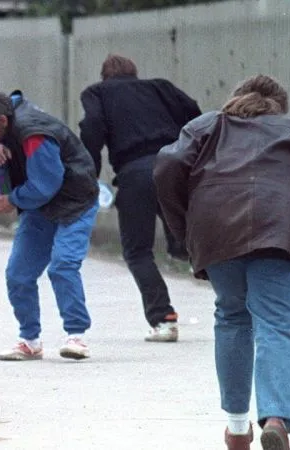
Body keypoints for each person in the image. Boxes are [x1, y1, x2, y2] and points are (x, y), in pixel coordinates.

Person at [154, 75, 290, 450]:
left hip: (217, 230)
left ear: (236, 99)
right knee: (277, 324)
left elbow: (168, 165)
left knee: (232, 317)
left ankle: (237, 427)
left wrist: (186, 223)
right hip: (280, 231)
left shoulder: (205, 126)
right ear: (279, 107)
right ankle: (275, 417)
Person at [78, 54, 201, 342]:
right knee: (185, 242)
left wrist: (91, 175)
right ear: (135, 73)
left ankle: (164, 319)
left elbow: (92, 128)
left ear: (104, 75)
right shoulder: (160, 87)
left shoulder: (97, 92)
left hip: (136, 174)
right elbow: (195, 115)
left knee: (137, 251)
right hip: (173, 168)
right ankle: (231, 296)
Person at [0, 89, 99, 361]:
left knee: (63, 264)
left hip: (75, 201)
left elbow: (45, 184)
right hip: (39, 207)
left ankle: (76, 336)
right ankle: (29, 340)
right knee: (18, 273)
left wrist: (12, 200)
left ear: (2, 121)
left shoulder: (34, 134)